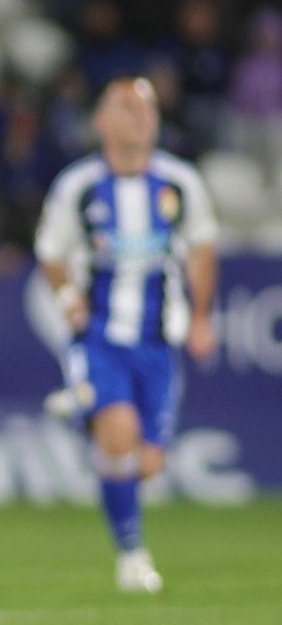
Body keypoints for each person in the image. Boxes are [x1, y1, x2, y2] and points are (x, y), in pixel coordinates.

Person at [34, 76, 218, 594]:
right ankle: (132, 555)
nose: (140, 114)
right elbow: (50, 251)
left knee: (147, 463)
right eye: (125, 105)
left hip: (157, 344)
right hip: (100, 338)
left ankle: (84, 417)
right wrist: (69, 298)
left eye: (148, 106)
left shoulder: (180, 184)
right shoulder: (80, 186)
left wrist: (201, 316)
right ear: (102, 121)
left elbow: (202, 249)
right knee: (119, 435)